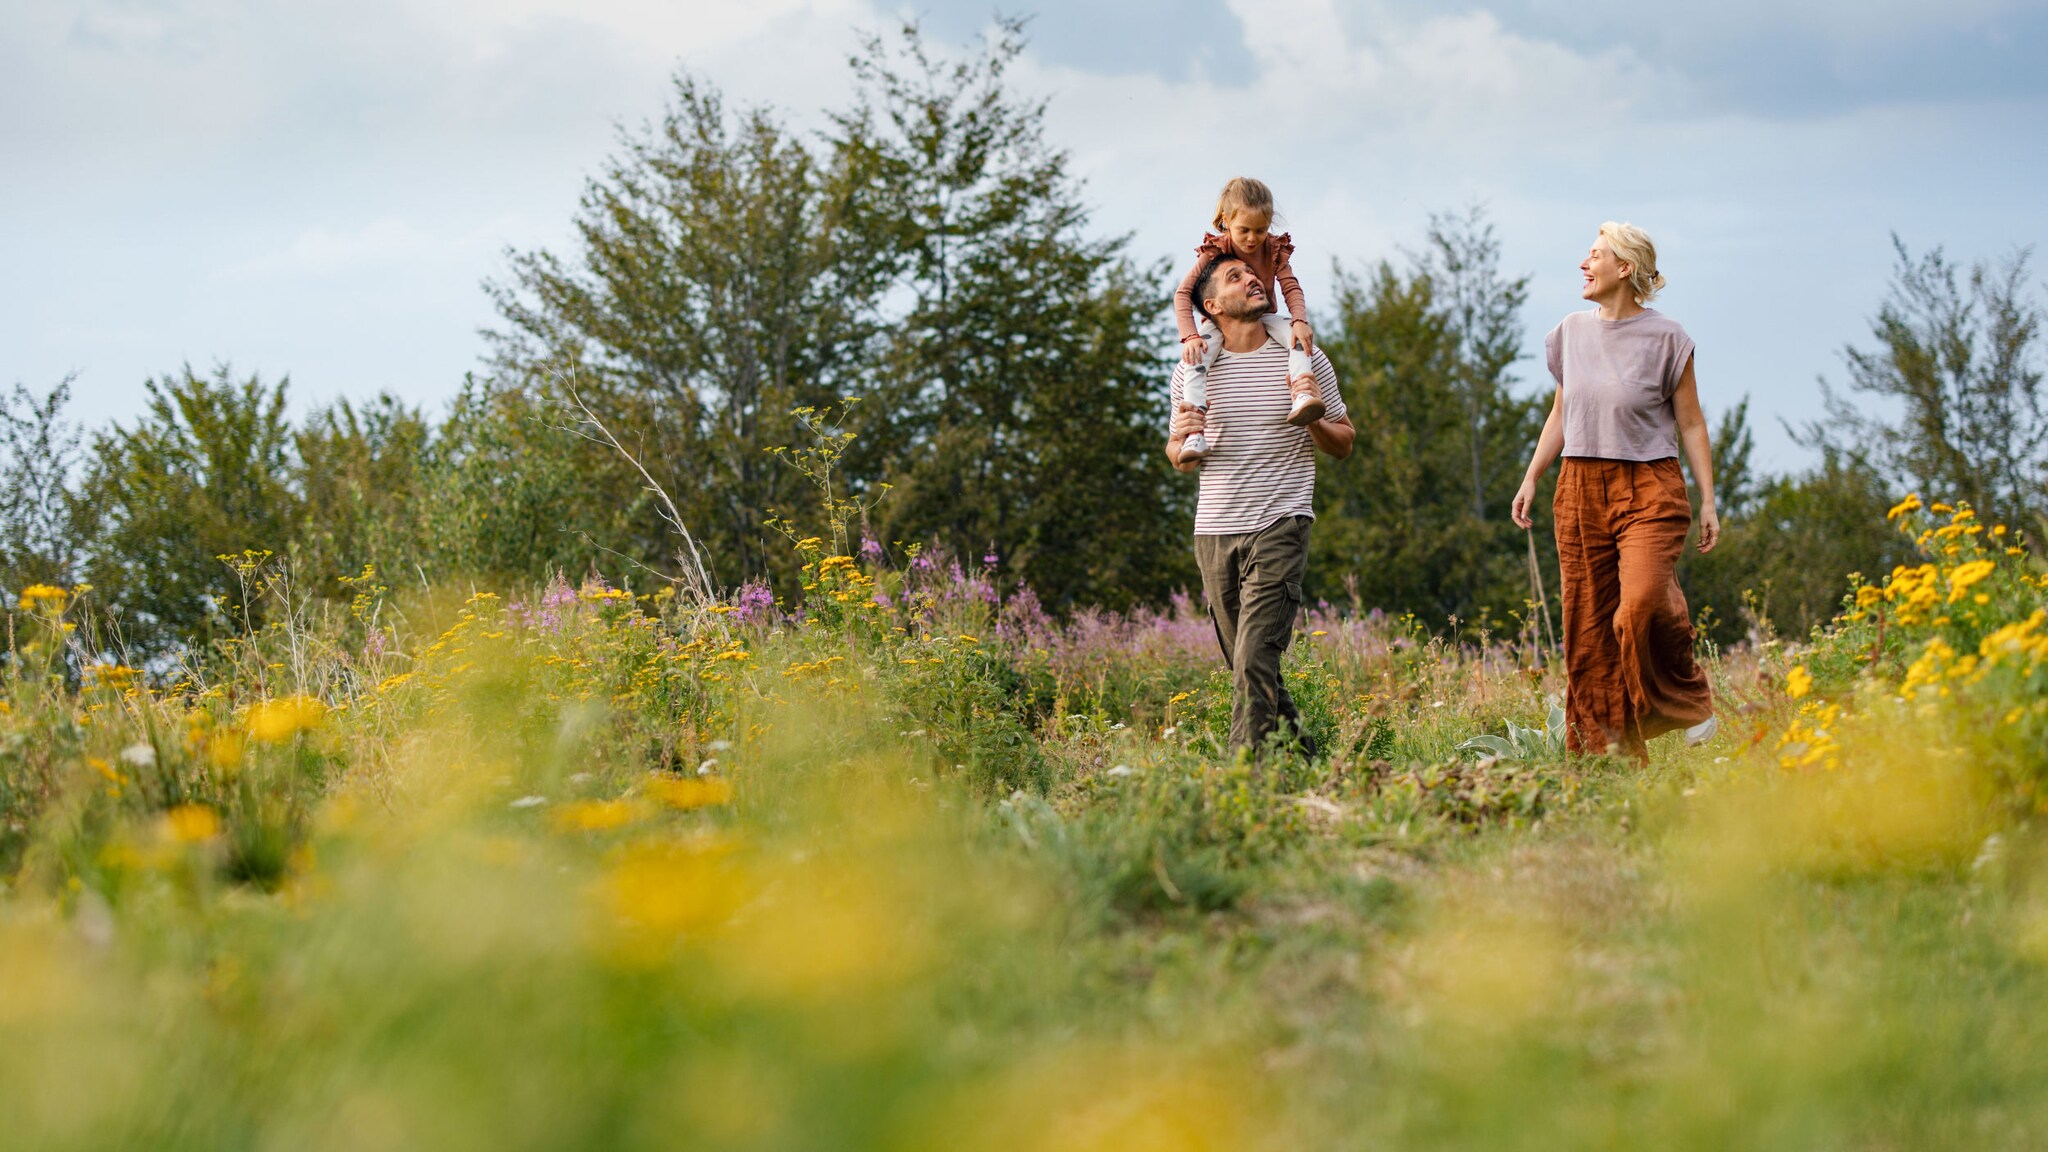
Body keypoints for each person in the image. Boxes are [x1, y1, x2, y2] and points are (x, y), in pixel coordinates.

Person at [1510, 221, 1718, 764]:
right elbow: (1562, 411)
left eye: (1595, 254)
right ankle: (1609, 757)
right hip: (1579, 485)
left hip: (1650, 483)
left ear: (1623, 268)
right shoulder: (1570, 332)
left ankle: (1687, 699)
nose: (1584, 263)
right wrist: (1533, 474)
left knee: (1642, 604)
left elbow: (1692, 424)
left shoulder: (1669, 339)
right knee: (1589, 625)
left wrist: (1710, 500)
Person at [1168, 252, 1354, 758]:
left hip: (1280, 522)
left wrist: (1312, 417)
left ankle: (1240, 784)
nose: (1253, 279)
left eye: (1253, 273)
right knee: (1250, 666)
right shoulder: (1192, 367)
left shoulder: (1302, 355)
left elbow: (1344, 442)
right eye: (1236, 277)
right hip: (1213, 531)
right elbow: (1179, 457)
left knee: (1253, 659)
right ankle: (1312, 767)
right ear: (1211, 305)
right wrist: (1179, 439)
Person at [1172, 177, 1321, 463]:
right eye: (1244, 230)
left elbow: (1291, 286)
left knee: (1296, 339)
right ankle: (1194, 432)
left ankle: (1301, 391)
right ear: (1227, 221)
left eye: (1260, 230)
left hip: (1266, 317)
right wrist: (1190, 336)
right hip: (1217, 325)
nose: (1252, 239)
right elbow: (1183, 293)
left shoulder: (1273, 249)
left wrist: (1300, 319)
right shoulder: (1217, 249)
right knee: (1196, 360)